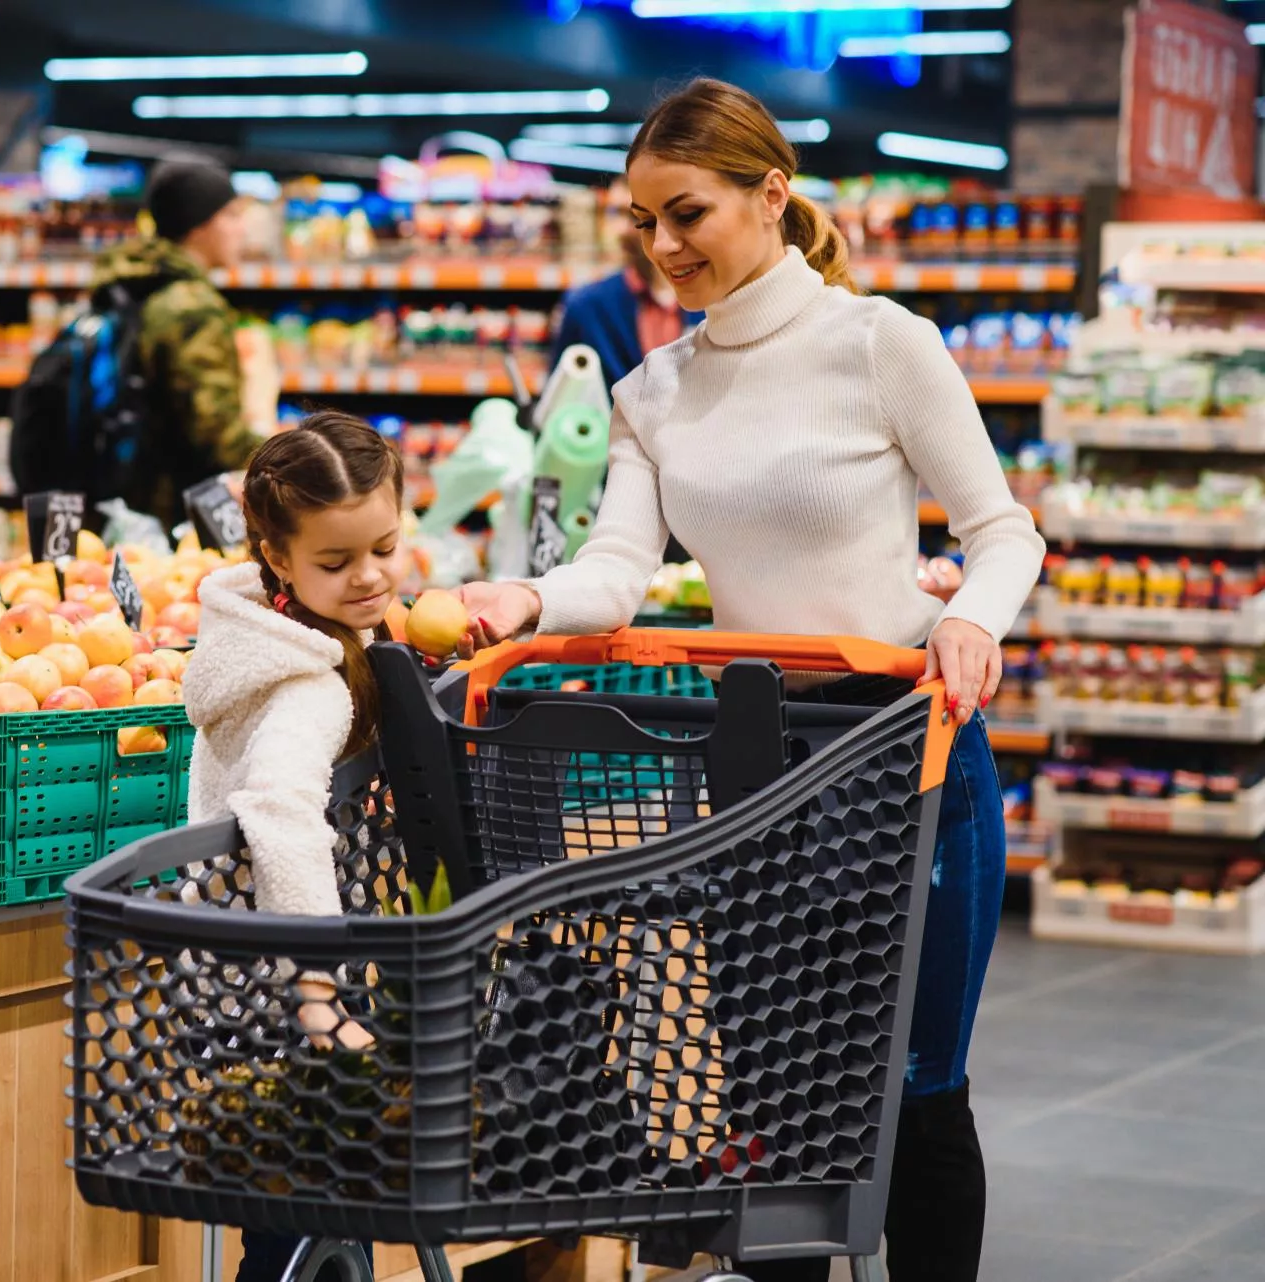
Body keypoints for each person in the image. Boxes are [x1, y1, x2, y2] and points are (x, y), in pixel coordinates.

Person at [461, 79, 1044, 1282]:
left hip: (907, 754)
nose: (665, 246)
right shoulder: (651, 391)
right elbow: (616, 570)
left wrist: (975, 622)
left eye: (689, 213)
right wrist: (525, 598)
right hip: (753, 769)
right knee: (775, 1104)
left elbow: (1003, 531)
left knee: (921, 1092)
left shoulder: (883, 344)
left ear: (771, 195)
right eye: (644, 223)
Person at [180, 411, 403, 1282]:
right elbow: (278, 807)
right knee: (299, 1225)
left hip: (243, 974)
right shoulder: (306, 684)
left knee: (291, 1212)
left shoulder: (284, 632)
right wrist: (317, 991)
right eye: (337, 563)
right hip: (280, 996)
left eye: (383, 547)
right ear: (277, 558)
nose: (370, 578)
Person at [91, 159, 273, 528]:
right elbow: (217, 436)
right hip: (175, 509)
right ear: (200, 224)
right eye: (232, 216)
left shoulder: (136, 285)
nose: (242, 231)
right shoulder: (191, 306)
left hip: (126, 497)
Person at [551, 217, 692, 388]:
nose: (621, 230)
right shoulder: (586, 306)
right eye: (645, 220)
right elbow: (560, 398)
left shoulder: (712, 304)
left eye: (639, 218)